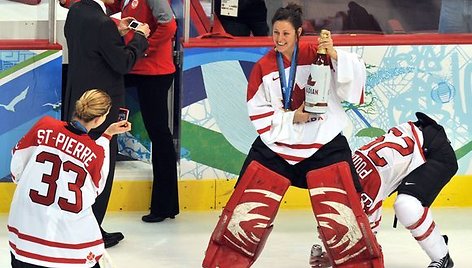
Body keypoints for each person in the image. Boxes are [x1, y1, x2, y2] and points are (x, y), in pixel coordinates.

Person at [203, 3, 370, 267]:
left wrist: (335, 54)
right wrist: (294, 116)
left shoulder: (317, 53)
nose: (280, 39)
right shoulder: (263, 66)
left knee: (345, 206)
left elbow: (355, 75)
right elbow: (257, 113)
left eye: (286, 34)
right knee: (246, 204)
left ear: (299, 33)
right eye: (276, 33)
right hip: (278, 146)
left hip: (322, 142)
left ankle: (355, 261)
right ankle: (223, 262)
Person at [310, 112, 458, 268]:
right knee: (406, 206)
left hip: (435, 152)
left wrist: (336, 258)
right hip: (418, 136)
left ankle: (442, 257)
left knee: (406, 206)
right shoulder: (345, 177)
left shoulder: (361, 195)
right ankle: (435, 241)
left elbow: (368, 248)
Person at [8, 89, 132, 268]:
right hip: (70, 247)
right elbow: (94, 191)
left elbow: (17, 166)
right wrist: (106, 136)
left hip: (24, 240)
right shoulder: (96, 153)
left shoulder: (44, 125)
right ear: (98, 119)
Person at [62, 0, 150, 248]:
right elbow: (123, 62)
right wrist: (139, 37)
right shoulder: (102, 23)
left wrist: (117, 32)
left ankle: (79, 226)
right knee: (100, 168)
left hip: (78, 104)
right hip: (100, 109)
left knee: (80, 164)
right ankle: (92, 231)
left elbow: (94, 49)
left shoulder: (77, 13)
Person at [106, 0, 180, 223]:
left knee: (159, 134)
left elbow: (169, 25)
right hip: (136, 66)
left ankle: (164, 204)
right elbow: (112, 6)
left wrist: (145, 47)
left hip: (154, 72)